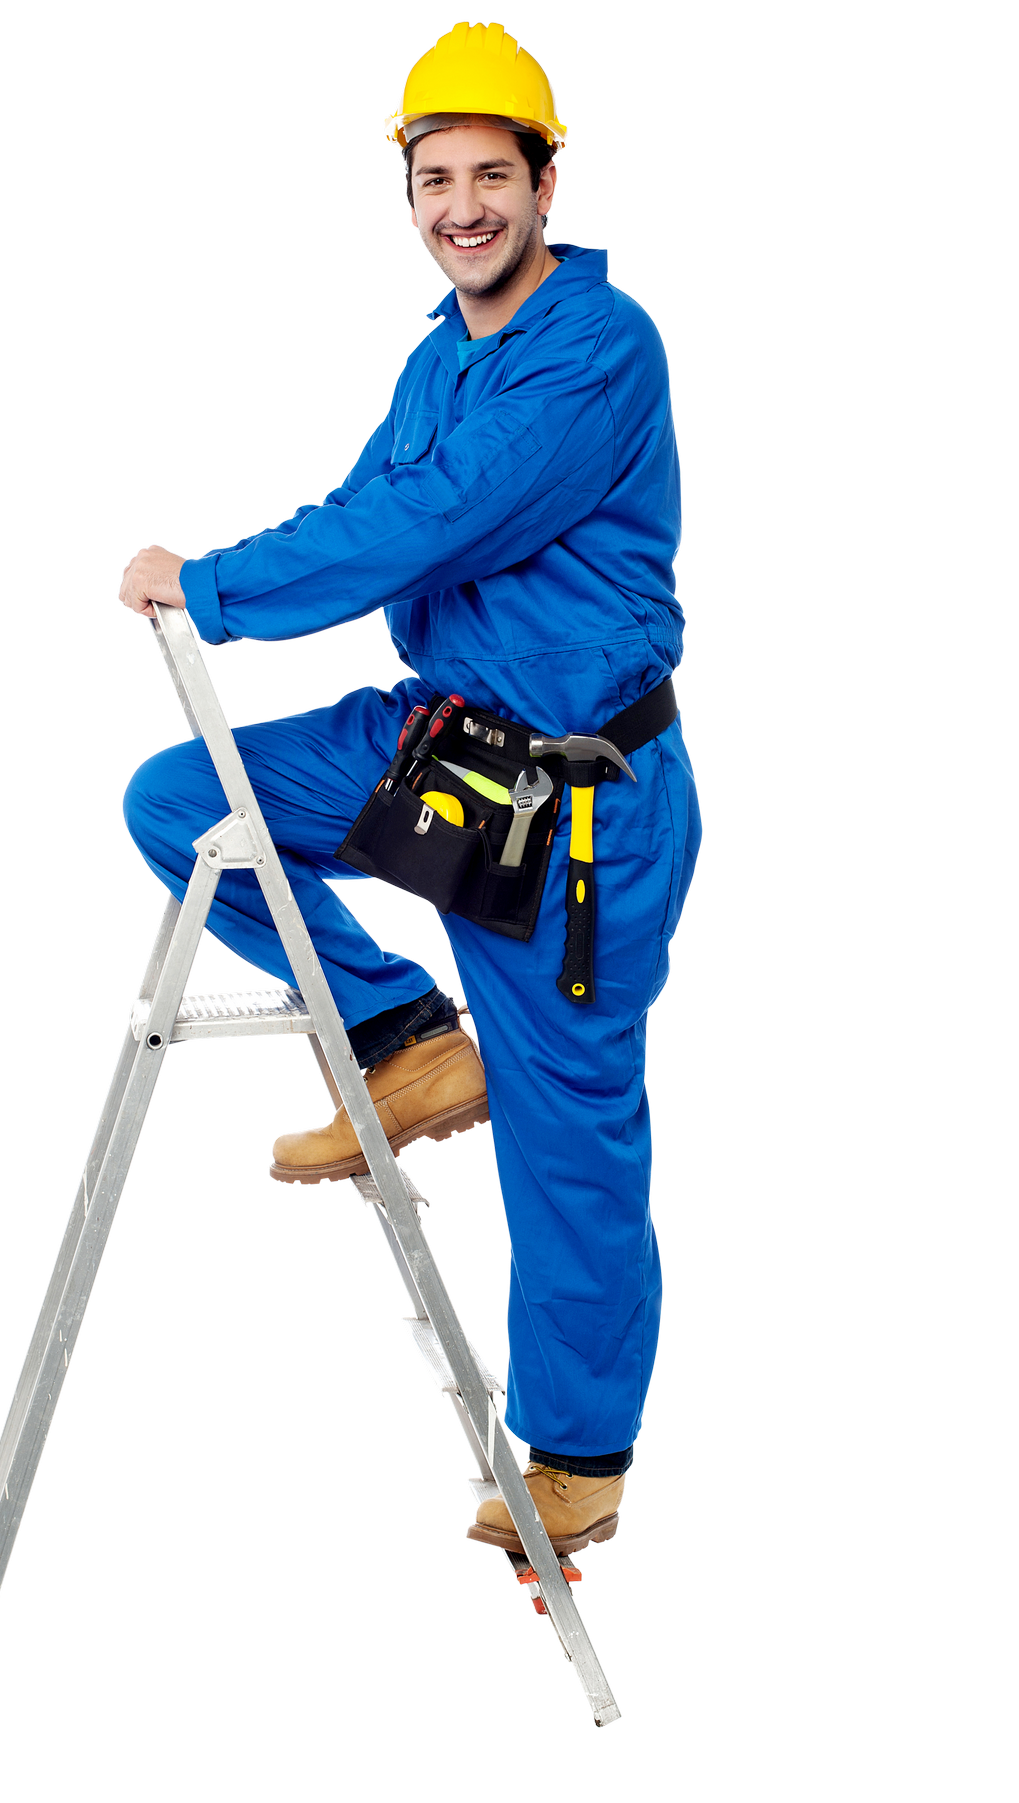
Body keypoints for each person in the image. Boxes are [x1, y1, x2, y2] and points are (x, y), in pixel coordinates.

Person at [118, 21, 701, 1559]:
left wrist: (213, 586)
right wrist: (238, 570)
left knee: (569, 1138)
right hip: (441, 743)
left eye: (491, 176)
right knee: (186, 802)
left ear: (546, 183)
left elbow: (435, 516)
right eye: (434, 180)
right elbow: (369, 499)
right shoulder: (440, 353)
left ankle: (576, 1460)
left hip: (574, 805)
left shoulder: (600, 347)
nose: (462, 206)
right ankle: (400, 1033)